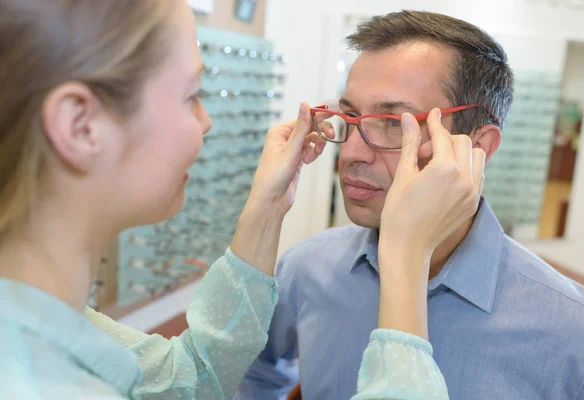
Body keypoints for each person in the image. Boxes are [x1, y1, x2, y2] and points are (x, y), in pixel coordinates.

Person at [0, 1, 481, 399]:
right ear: (80, 125)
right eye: (193, 94)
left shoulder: (42, 322)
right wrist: (404, 257)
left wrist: (267, 207)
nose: (206, 121)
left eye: (392, 124)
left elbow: (192, 380)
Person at [234, 10, 584, 400]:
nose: (353, 152)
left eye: (395, 123)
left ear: (479, 146)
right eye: (352, 116)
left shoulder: (577, 332)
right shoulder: (306, 269)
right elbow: (256, 375)